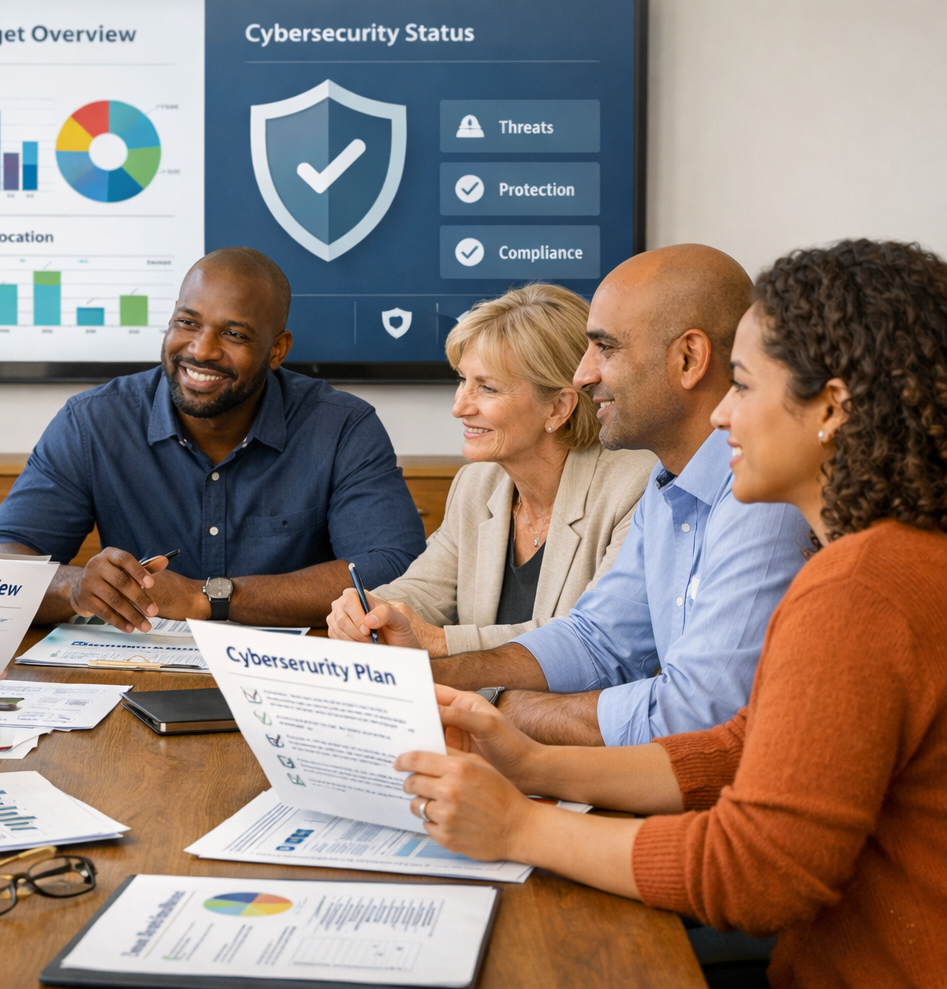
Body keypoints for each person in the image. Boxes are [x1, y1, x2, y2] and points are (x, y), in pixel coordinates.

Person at [396, 239, 947, 988]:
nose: (723, 414)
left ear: (831, 408)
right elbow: (742, 744)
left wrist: (523, 824)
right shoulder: (886, 559)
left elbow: (757, 870)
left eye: (745, 387)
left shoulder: (860, 587)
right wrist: (532, 762)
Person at [359, 245, 812, 747]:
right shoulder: (668, 487)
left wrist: (494, 705)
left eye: (606, 347)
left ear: (689, 359)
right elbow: (596, 640)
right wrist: (436, 674)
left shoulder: (763, 497)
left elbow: (696, 715)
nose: (582, 374)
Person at [0, 246, 426, 630]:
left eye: (233, 334)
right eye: (187, 323)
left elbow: (393, 567)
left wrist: (208, 597)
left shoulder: (343, 426)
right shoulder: (93, 421)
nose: (201, 350)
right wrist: (75, 588)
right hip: (135, 669)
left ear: (277, 350)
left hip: (292, 676)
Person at [326, 284, 656, 656]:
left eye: (487, 388)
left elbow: (592, 636)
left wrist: (439, 640)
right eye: (462, 380)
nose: (459, 407)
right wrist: (368, 610)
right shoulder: (477, 484)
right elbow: (423, 590)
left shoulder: (637, 487)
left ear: (558, 408)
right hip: (479, 705)